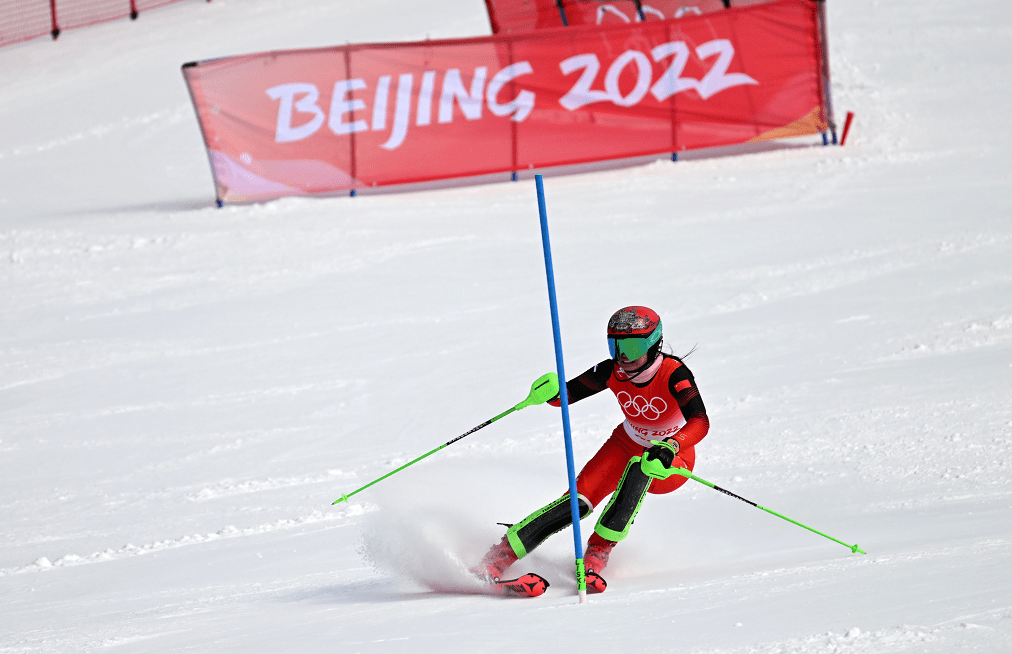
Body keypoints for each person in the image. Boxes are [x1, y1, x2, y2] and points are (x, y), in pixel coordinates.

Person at [471, 306, 710, 592]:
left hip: (672, 458)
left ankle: (597, 553)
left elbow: (700, 421)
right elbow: (565, 396)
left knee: (641, 468)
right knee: (576, 503)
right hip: (624, 444)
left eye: (632, 347)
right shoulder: (612, 371)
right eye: (615, 346)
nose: (623, 356)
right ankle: (498, 556)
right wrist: (550, 393)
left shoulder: (674, 374)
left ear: (653, 344)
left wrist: (671, 445)